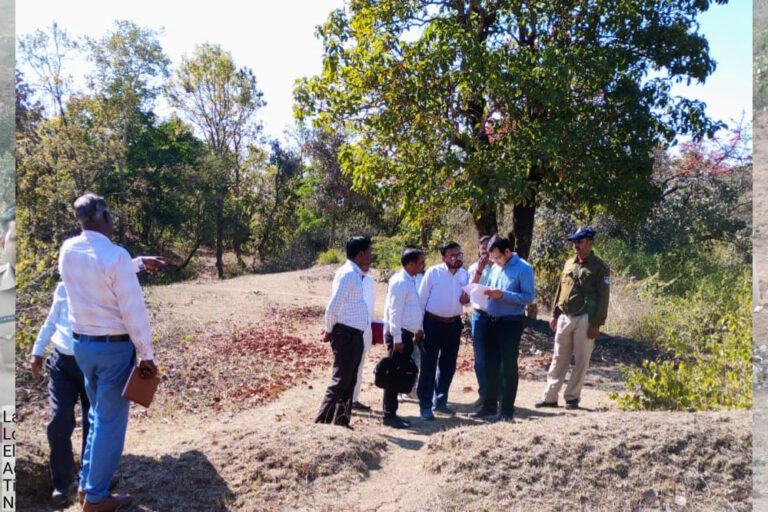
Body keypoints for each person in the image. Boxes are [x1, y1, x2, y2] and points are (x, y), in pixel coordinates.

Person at [30, 256, 168, 506]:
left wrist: (140, 263)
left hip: (88, 360)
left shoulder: (98, 283)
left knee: (95, 421)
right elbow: (50, 322)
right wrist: (37, 351)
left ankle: (90, 479)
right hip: (63, 363)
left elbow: (113, 269)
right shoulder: (63, 288)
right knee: (59, 420)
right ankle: (62, 484)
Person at [58, 193, 159, 512]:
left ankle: (87, 488)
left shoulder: (68, 249)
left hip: (82, 347)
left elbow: (98, 274)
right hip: (114, 348)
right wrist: (146, 355)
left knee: (96, 415)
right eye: (111, 215)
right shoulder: (114, 255)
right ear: (103, 217)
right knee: (109, 423)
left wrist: (138, 264)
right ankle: (97, 498)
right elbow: (132, 310)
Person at [536, 227, 610, 410]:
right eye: (574, 242)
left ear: (590, 242)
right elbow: (560, 290)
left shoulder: (600, 267)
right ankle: (550, 397)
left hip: (585, 318)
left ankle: (572, 398)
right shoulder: (569, 263)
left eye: (580, 241)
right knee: (558, 358)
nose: (575, 245)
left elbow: (603, 298)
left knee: (581, 360)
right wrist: (554, 314)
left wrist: (596, 324)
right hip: (565, 317)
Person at [469, 234, 534, 422]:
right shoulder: (496, 267)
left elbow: (528, 297)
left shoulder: (524, 268)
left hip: (510, 323)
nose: (495, 261)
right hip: (492, 321)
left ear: (507, 251)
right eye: (493, 258)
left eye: (497, 257)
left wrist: (502, 295)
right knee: (490, 365)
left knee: (508, 367)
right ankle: (489, 406)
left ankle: (506, 411)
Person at [316, 236, 373, 428]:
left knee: (350, 380)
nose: (371, 256)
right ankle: (321, 423)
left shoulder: (355, 273)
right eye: (370, 252)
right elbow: (333, 307)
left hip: (354, 334)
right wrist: (329, 329)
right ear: (361, 254)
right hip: (345, 334)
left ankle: (341, 422)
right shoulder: (349, 274)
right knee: (340, 380)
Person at [417, 241, 469, 420]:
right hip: (432, 323)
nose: (457, 258)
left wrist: (465, 299)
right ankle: (425, 405)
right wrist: (419, 327)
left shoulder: (464, 275)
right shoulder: (433, 272)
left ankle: (440, 401)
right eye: (452, 255)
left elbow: (467, 301)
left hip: (453, 325)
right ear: (444, 258)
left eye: (459, 254)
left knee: (448, 365)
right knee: (428, 365)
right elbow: (421, 301)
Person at [382, 247, 426, 428]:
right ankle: (389, 415)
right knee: (393, 375)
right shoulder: (400, 282)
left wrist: (418, 329)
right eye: (421, 262)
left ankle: (392, 413)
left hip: (407, 334)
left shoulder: (411, 280)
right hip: (398, 335)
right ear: (410, 264)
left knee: (399, 374)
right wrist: (397, 338)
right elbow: (394, 311)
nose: (424, 265)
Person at [467, 235, 493, 407]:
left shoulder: (501, 268)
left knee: (496, 357)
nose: (485, 252)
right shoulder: (473, 268)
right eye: (482, 249)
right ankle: (484, 394)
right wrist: (480, 270)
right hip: (479, 315)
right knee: (480, 358)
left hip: (498, 316)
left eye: (488, 249)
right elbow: (469, 291)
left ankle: (497, 394)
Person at [351, 272, 375, 411]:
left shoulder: (369, 280)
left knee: (359, 367)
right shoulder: (347, 275)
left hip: (365, 331)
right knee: (346, 369)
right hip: (349, 332)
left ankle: (353, 399)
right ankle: (341, 402)